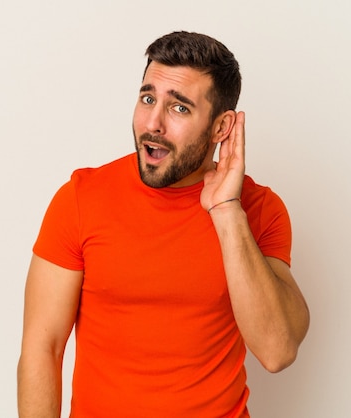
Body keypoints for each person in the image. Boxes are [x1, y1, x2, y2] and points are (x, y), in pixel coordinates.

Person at [17, 31, 310, 418]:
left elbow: (277, 350)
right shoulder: (80, 198)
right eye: (148, 98)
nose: (152, 123)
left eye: (179, 108)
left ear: (221, 128)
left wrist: (225, 210)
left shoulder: (258, 210)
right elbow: (43, 348)